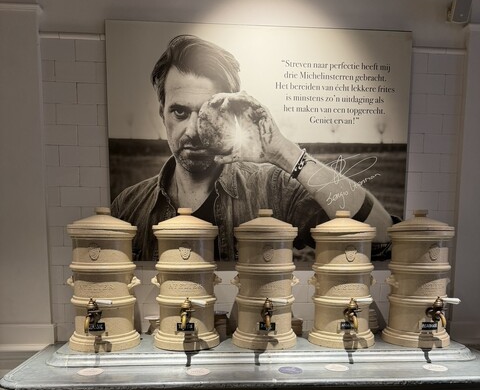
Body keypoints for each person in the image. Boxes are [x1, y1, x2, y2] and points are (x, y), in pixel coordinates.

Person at [111, 34, 396, 262]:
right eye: (180, 112)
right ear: (162, 113)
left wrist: (283, 152)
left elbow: (382, 238)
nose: (194, 131)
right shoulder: (129, 205)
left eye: (208, 113)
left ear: (231, 113)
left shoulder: (273, 190)